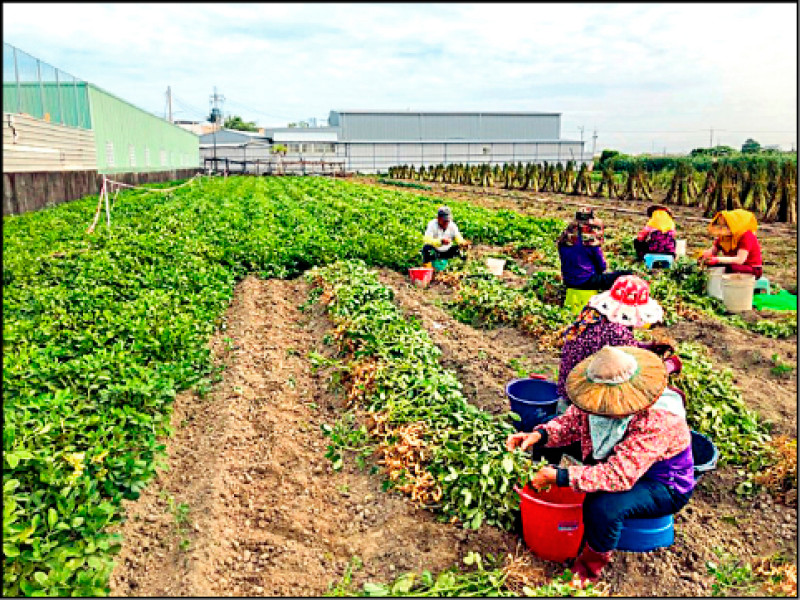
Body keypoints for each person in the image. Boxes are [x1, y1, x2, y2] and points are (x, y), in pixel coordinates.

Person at [506, 345, 694, 586]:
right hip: (619, 459)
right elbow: (569, 423)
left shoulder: (659, 421)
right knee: (547, 428)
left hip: (661, 482)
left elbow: (619, 475)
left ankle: (587, 569)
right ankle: (537, 494)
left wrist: (560, 477)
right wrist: (538, 436)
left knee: (603, 505)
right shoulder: (596, 399)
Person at [556, 275, 678, 410]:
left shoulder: (594, 313)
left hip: (568, 384)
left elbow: (620, 347)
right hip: (582, 395)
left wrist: (650, 348)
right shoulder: (617, 331)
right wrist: (667, 366)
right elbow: (632, 370)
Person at [557, 210, 632, 291]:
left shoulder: (564, 238)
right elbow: (602, 267)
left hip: (568, 281)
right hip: (585, 282)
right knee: (625, 274)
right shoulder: (589, 240)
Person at [698, 209, 763, 278]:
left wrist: (718, 260)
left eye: (726, 226)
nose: (722, 229)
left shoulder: (746, 236)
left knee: (729, 268)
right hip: (735, 265)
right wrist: (704, 256)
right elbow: (713, 251)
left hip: (752, 268)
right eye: (721, 226)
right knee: (712, 267)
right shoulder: (723, 237)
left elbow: (740, 260)